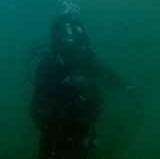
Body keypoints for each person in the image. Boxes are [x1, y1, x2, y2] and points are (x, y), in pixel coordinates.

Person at [29, 13, 136, 159]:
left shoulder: (83, 59)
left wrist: (125, 86)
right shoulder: (49, 65)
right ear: (59, 38)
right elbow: (39, 108)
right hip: (57, 136)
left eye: (76, 34)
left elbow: (105, 74)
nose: (74, 39)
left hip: (81, 132)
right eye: (68, 35)